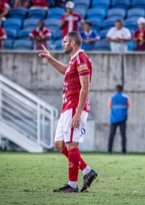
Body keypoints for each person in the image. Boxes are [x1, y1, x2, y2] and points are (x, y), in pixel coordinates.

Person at [38, 31, 97, 193]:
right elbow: (66, 71)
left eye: (65, 42)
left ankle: (72, 185)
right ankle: (87, 171)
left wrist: (78, 112)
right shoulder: (73, 60)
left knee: (71, 144)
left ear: (72, 43)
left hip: (74, 108)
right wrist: (49, 58)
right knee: (59, 143)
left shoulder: (81, 59)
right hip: (66, 108)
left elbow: (85, 86)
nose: (62, 44)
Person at [108, 85, 130, 154]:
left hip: (113, 119)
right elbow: (128, 106)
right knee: (123, 136)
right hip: (123, 119)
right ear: (122, 89)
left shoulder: (111, 97)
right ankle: (124, 151)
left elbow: (109, 106)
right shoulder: (126, 98)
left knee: (111, 135)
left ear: (116, 89)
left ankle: (109, 150)